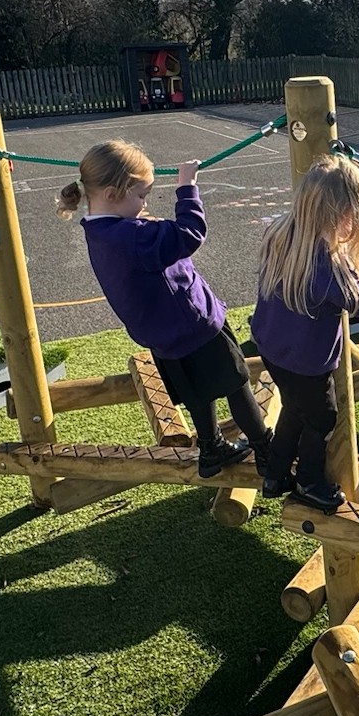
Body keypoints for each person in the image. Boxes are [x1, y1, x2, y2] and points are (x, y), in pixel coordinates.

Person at [57, 140, 270, 479]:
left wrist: (140, 208)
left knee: (197, 392)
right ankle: (268, 452)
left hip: (162, 336)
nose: (144, 204)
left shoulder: (97, 229)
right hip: (195, 324)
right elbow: (190, 233)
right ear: (112, 194)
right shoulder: (133, 235)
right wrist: (187, 187)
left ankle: (211, 449)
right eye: (141, 195)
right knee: (237, 383)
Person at [251, 154, 359, 511]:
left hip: (271, 346)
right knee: (323, 418)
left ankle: (275, 472)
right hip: (307, 362)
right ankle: (309, 483)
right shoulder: (328, 267)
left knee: (295, 408)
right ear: (346, 214)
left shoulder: (280, 232)